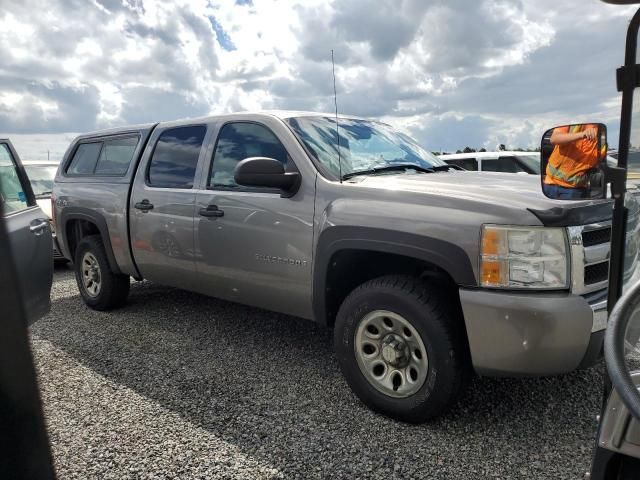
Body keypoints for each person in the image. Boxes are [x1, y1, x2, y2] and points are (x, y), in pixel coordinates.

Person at [543, 124, 601, 199]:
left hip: (574, 190)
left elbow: (599, 162)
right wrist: (582, 134)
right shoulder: (573, 123)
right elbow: (554, 139)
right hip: (549, 184)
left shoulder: (601, 133)